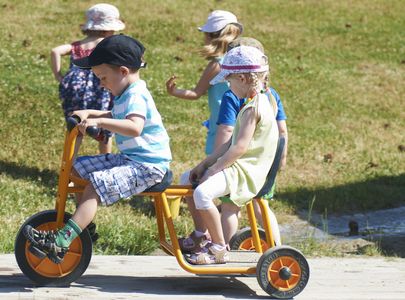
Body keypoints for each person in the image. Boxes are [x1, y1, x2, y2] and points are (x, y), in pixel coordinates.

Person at [23, 35, 172, 264]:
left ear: (123, 71)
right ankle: (84, 226)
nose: (102, 84)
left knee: (95, 185)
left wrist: (98, 123)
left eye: (103, 78)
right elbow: (116, 115)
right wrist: (90, 113)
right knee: (76, 169)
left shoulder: (136, 95)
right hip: (130, 159)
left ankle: (62, 241)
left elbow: (134, 127)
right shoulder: (125, 93)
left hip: (148, 166)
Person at [182, 46, 279, 265]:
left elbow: (239, 148)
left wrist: (214, 170)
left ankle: (218, 247)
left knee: (202, 195)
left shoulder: (253, 109)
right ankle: (201, 235)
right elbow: (229, 143)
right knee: (186, 180)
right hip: (238, 166)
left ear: (243, 79)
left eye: (229, 80)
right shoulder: (255, 103)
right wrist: (204, 164)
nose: (228, 85)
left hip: (244, 172)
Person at [217, 38, 288, 244]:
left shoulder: (233, 95)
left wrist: (217, 162)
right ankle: (276, 248)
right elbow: (282, 129)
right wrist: (280, 158)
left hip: (242, 160)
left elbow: (227, 130)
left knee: (230, 205)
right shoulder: (271, 95)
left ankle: (225, 248)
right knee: (261, 204)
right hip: (266, 158)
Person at [51, 3, 125, 154]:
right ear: (110, 28)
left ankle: (68, 166)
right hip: (100, 89)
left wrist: (59, 76)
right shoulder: (106, 44)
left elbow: (55, 51)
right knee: (105, 130)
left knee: (75, 127)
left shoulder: (78, 45)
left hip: (73, 90)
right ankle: (105, 160)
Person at [166, 10, 242, 155]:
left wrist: (173, 91)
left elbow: (196, 93)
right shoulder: (241, 62)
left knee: (214, 163)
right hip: (242, 122)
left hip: (222, 122)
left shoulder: (217, 65)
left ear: (211, 37)